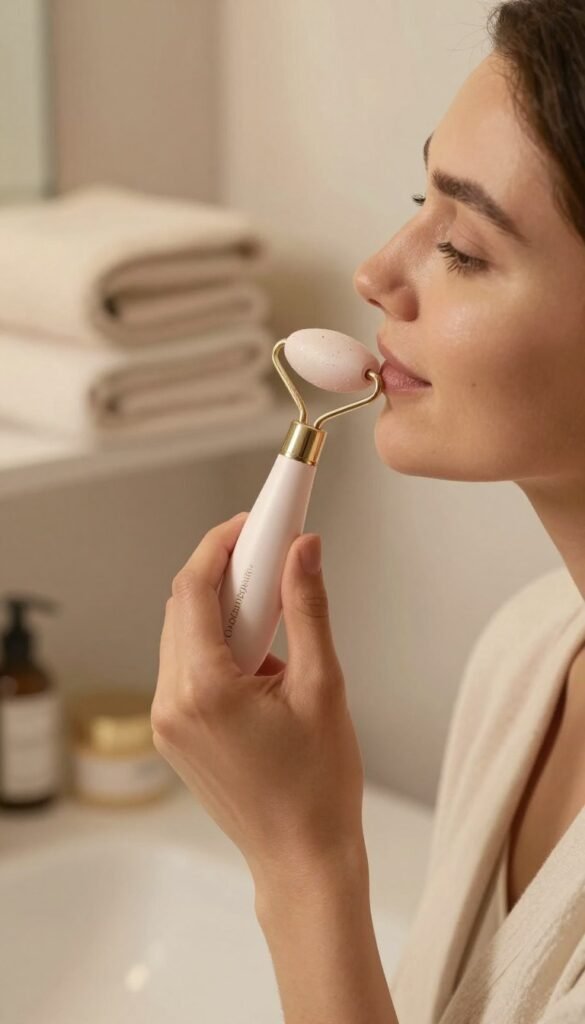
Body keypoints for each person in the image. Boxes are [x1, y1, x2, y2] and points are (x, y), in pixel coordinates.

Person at [151, 1, 585, 1021]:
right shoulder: (526, 655)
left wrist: (302, 863)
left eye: (465, 250)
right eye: (416, 202)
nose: (378, 272)